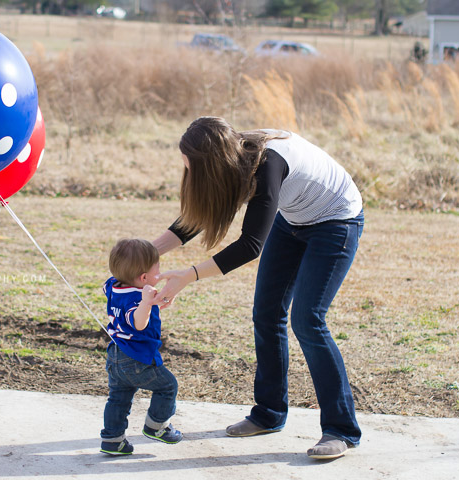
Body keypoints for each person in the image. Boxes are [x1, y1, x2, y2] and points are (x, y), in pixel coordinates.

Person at [151, 117, 364, 460]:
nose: (188, 173)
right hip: (293, 220)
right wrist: (146, 253)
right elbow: (196, 217)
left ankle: (342, 430)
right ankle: (269, 413)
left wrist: (188, 275)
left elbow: (250, 245)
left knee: (308, 320)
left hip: (336, 220)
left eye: (192, 167)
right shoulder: (234, 156)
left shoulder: (267, 165)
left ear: (214, 161)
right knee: (266, 314)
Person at [99, 238, 183, 456]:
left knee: (118, 397)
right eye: (158, 270)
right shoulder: (138, 299)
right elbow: (139, 323)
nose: (160, 273)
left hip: (115, 354)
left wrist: (154, 302)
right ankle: (157, 426)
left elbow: (107, 289)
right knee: (167, 386)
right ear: (144, 278)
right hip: (136, 359)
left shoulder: (113, 285)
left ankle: (112, 440)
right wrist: (146, 303)